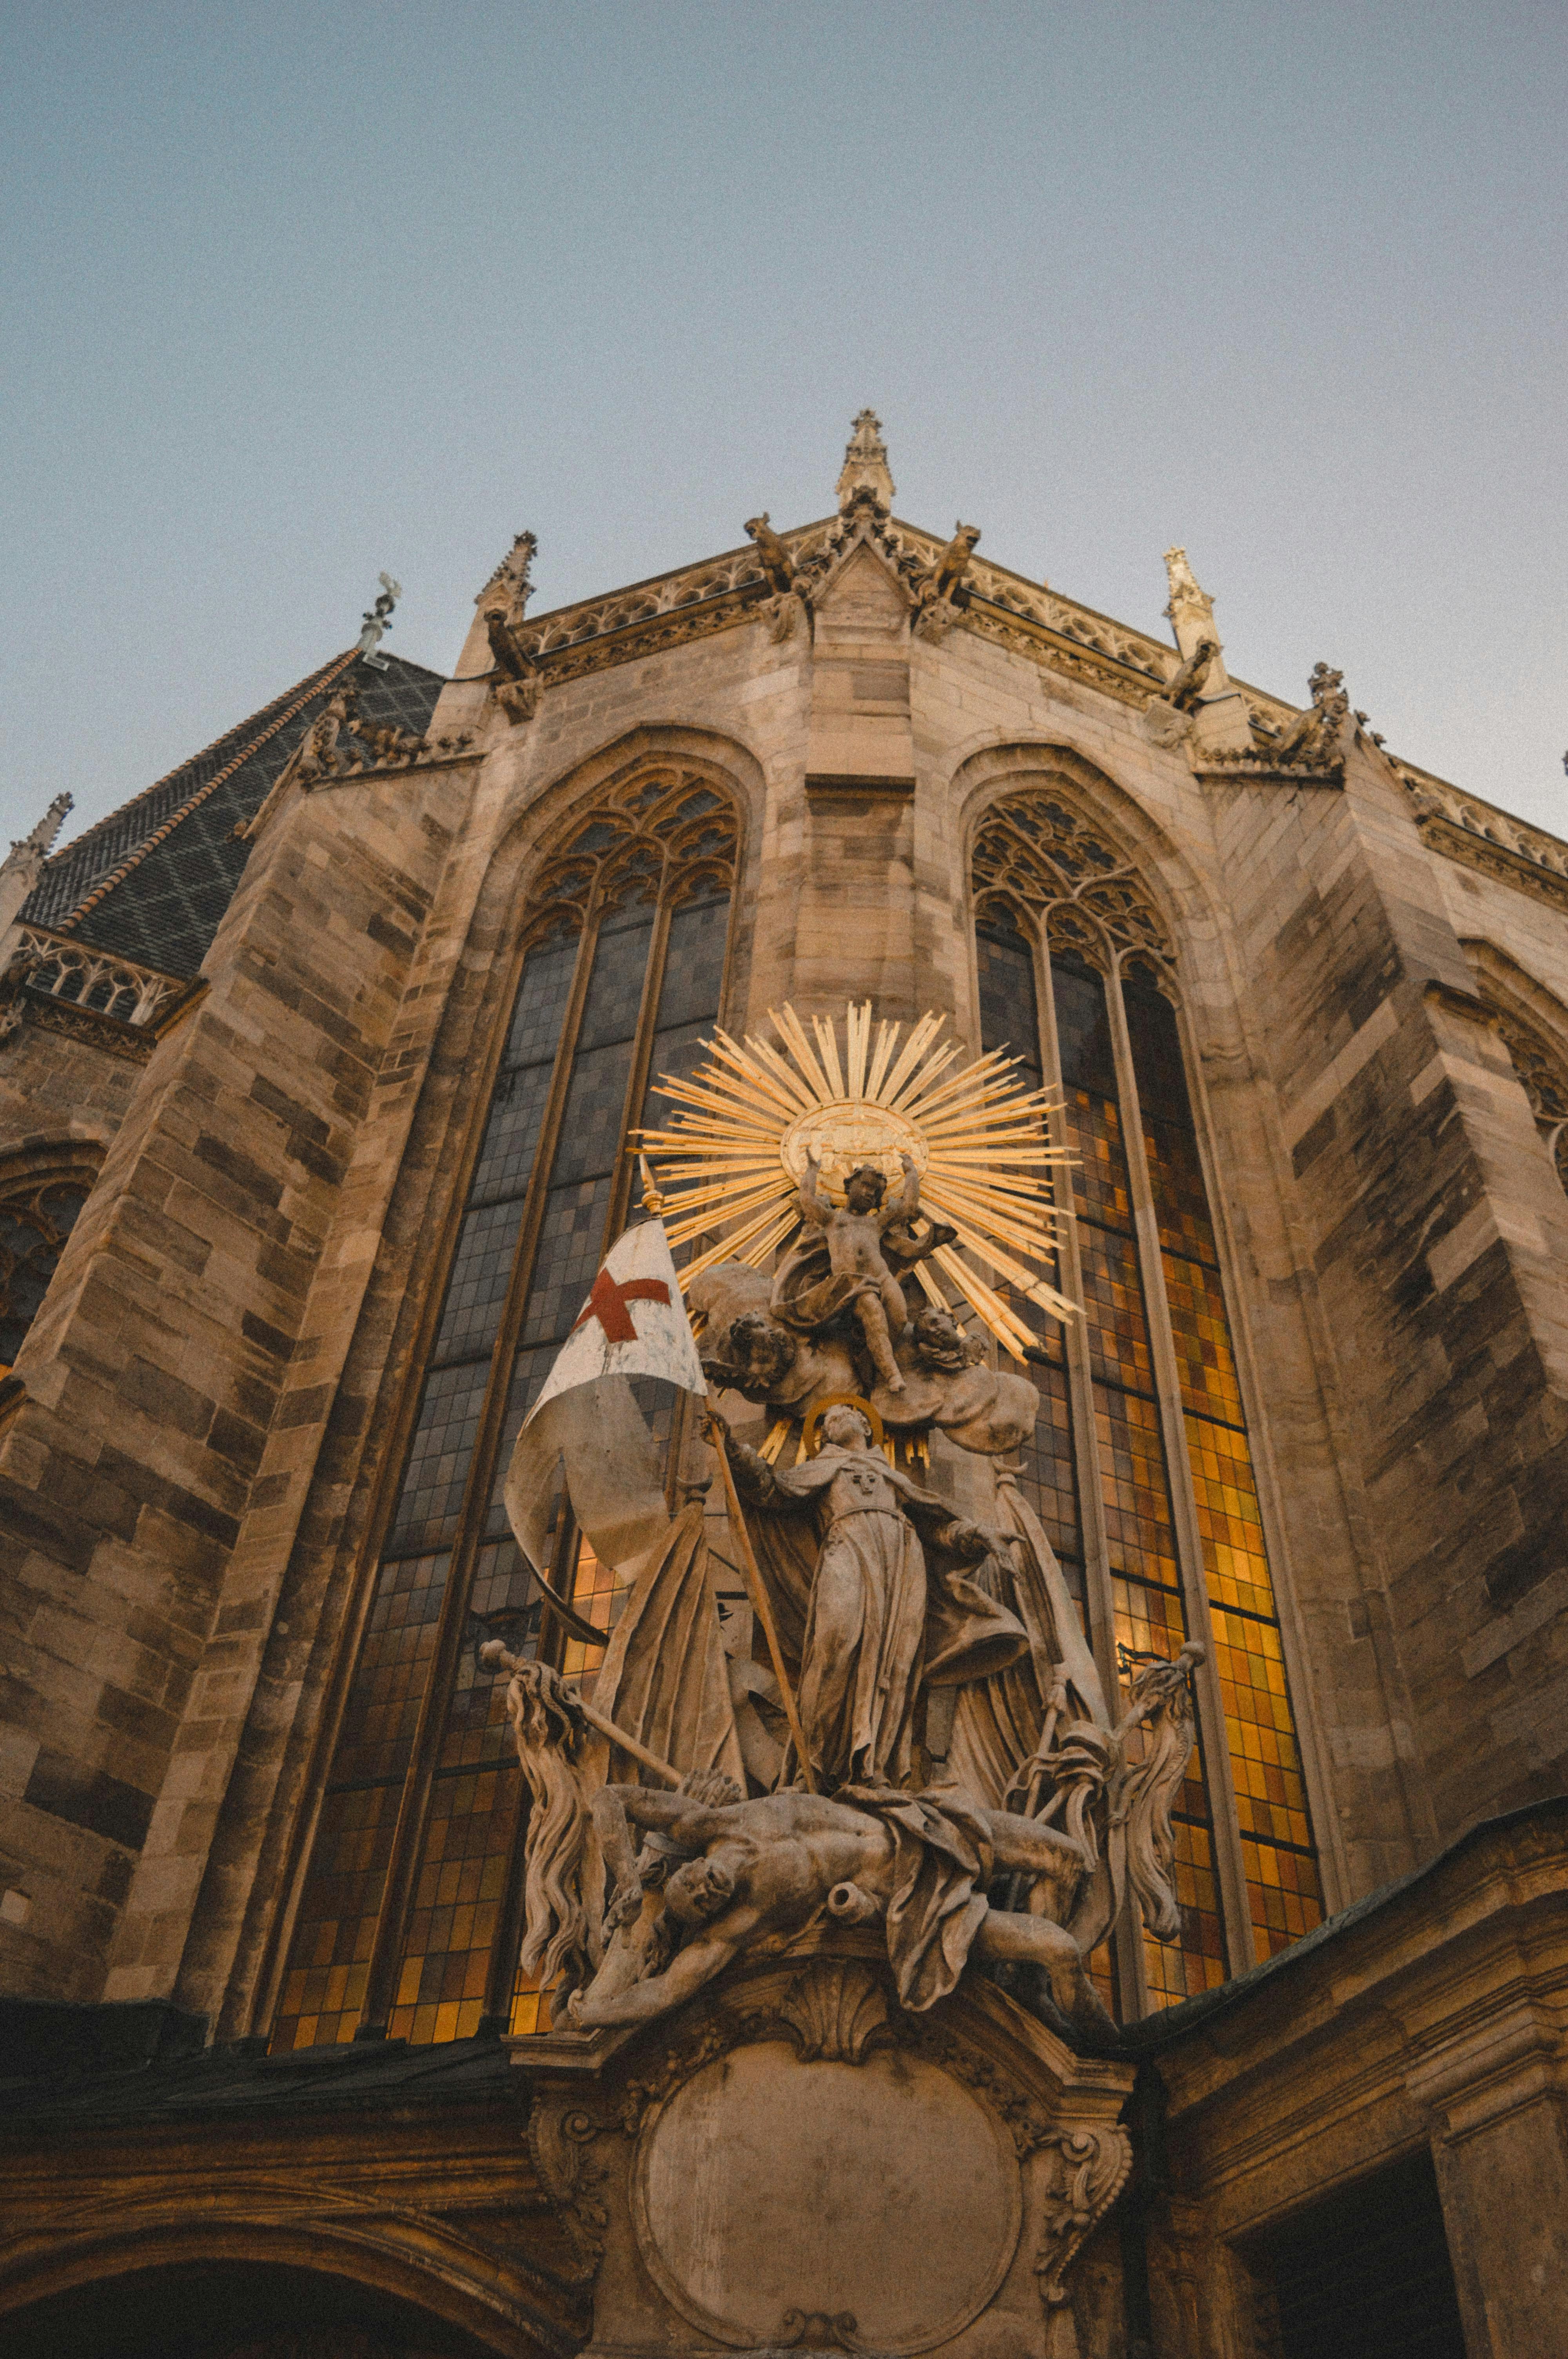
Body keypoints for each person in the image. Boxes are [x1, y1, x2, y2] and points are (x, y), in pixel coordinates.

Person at [569, 1774, 1109, 2034]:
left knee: (1068, 1861)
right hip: (924, 1901)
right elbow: (666, 1990)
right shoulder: (742, 1921)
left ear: (688, 1862)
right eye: (702, 1904)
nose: (703, 1890)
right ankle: (1100, 2045)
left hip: (922, 1823)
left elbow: (612, 1798)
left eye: (690, 1884)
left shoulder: (715, 1824)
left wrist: (627, 1877)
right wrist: (591, 2013)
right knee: (1061, 1950)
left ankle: (1029, 1990)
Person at [718, 1402, 1026, 1790]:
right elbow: (771, 1489)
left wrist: (976, 1534)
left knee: (894, 1664)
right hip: (848, 1550)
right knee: (834, 1646)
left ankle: (874, 1766)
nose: (836, 1417)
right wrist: (732, 1448)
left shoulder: (893, 1477)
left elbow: (938, 1528)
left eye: (845, 1412)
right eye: (829, 1419)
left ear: (866, 1424)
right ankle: (813, 1765)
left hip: (901, 1565)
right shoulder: (823, 1468)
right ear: (824, 1437)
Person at [771, 1153, 923, 1393]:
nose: (870, 1193)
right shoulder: (833, 1219)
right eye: (866, 1186)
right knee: (873, 1310)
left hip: (882, 1278)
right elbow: (807, 1201)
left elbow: (908, 1206)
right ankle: (892, 1374)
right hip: (854, 1284)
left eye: (876, 1192)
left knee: (900, 1318)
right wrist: (812, 1170)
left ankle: (869, 1355)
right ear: (849, 1187)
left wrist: (911, 1173)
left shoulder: (876, 1223)